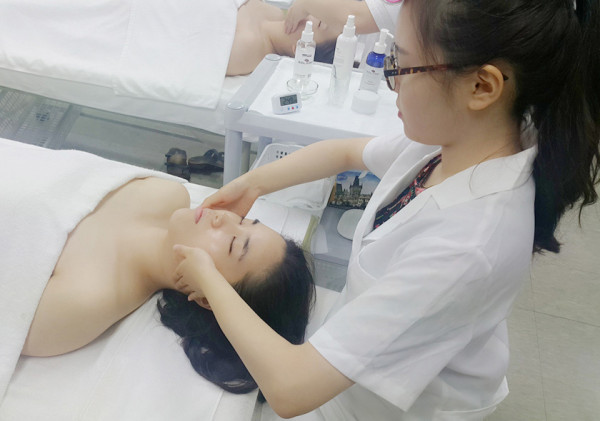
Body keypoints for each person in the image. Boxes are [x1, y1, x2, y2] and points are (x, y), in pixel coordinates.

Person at [170, 0, 600, 419]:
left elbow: (291, 388)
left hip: (402, 404)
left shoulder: (467, 246)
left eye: (402, 64)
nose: (388, 78)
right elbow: (345, 152)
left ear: (482, 87)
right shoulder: (461, 141)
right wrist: (251, 183)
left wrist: (209, 277)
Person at [21, 175, 315, 395]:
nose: (223, 218)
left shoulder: (84, 301)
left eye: (232, 244)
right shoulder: (165, 193)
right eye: (244, 220)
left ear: (208, 296)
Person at [228, 0, 340, 75]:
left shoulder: (247, 48)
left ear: (301, 50)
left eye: (320, 22)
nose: (314, 11)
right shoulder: (276, 13)